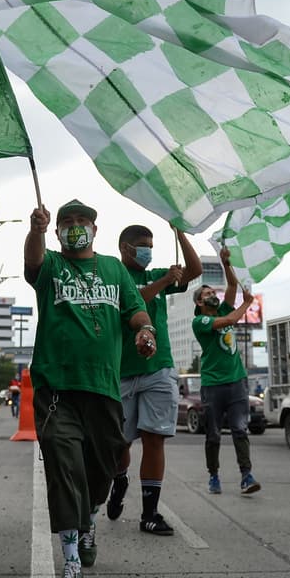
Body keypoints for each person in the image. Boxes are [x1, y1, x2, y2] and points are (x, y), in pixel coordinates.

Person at [25, 199, 155, 578]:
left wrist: (145, 330)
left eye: (82, 222)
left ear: (95, 230)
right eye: (67, 222)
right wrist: (37, 229)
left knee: (105, 467)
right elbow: (31, 261)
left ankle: (91, 520)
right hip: (57, 390)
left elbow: (135, 309)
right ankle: (70, 560)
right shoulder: (50, 265)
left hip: (103, 389)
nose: (75, 227)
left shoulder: (114, 270)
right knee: (65, 470)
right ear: (58, 229)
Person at [105, 224, 201, 535]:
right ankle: (119, 480)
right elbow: (133, 301)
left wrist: (180, 233)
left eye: (151, 245)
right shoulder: (112, 275)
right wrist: (163, 280)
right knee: (120, 443)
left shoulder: (158, 272)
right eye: (143, 245)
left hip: (159, 368)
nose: (148, 250)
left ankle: (150, 513)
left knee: (154, 438)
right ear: (125, 248)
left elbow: (195, 269)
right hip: (122, 373)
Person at [192, 247, 259, 496]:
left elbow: (231, 285)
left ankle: (246, 475)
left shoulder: (222, 308)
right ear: (199, 302)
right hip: (213, 384)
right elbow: (230, 321)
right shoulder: (200, 321)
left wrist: (226, 263)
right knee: (214, 434)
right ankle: (214, 475)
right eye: (207, 294)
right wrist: (248, 303)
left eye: (212, 292)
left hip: (237, 382)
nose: (212, 295)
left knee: (241, 430)